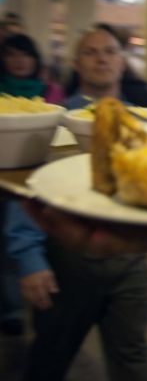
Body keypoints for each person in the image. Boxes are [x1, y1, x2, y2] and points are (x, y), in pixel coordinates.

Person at [5, 24, 147, 381]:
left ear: (122, 63)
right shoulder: (51, 119)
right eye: (91, 52)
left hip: (130, 262)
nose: (102, 59)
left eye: (110, 51)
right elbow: (28, 188)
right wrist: (30, 259)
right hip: (65, 259)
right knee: (51, 354)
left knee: (133, 356)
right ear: (77, 64)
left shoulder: (144, 122)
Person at [1, 33, 64, 336]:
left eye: (24, 55)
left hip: (32, 186)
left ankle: (13, 310)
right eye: (12, 55)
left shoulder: (52, 94)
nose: (19, 61)